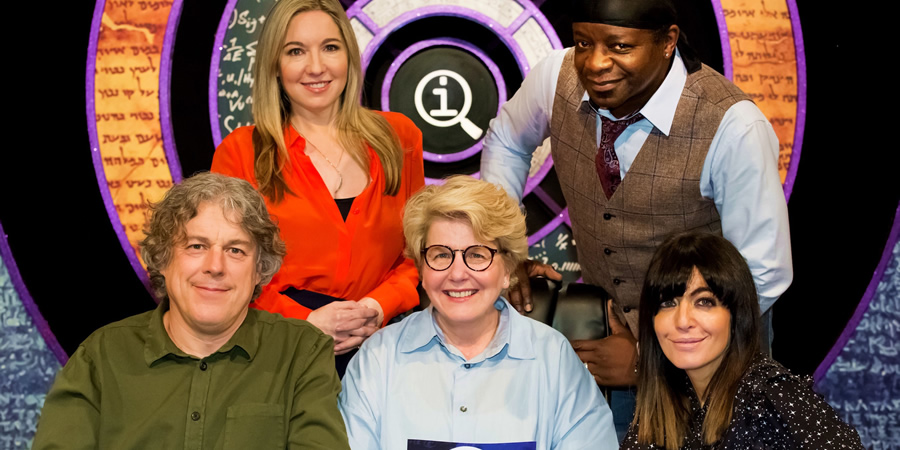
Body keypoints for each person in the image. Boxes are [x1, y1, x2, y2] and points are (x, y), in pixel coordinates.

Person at [480, 0, 792, 437]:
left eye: (620, 46)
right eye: (583, 42)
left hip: (717, 369)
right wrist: (503, 249)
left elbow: (762, 273)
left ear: (668, 41)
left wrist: (652, 358)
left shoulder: (732, 125)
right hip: (608, 344)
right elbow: (508, 139)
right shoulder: (556, 76)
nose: (595, 63)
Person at [31, 173, 349, 449]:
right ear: (163, 259)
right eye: (196, 246)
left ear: (259, 271)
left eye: (235, 250)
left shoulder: (301, 354)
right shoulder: (100, 356)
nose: (215, 266)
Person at [211, 0, 424, 374]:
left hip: (383, 346)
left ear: (349, 56)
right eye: (296, 51)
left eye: (330, 47)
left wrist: (377, 307)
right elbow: (226, 268)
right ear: (275, 67)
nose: (316, 67)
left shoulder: (399, 137)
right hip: (278, 352)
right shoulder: (241, 152)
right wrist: (306, 323)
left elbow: (416, 255)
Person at [338, 176, 617, 449]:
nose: (457, 273)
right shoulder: (377, 359)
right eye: (441, 254)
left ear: (508, 269)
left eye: (477, 255)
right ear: (422, 269)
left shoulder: (554, 359)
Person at [623, 231, 861, 449]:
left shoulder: (768, 396)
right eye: (667, 303)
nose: (682, 321)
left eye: (704, 302)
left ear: (737, 315)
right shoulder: (666, 395)